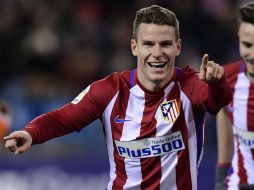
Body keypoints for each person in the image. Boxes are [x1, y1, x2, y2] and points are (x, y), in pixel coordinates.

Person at [4, 5, 232, 190]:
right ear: (134, 47)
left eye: (165, 44)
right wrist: (31, 133)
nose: (157, 53)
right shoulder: (110, 90)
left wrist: (217, 83)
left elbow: (215, 100)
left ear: (178, 47)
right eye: (148, 44)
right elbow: (63, 118)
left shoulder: (189, 86)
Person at [215, 2, 254, 190]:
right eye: (247, 45)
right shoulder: (228, 79)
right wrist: (221, 176)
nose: (252, 55)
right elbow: (223, 110)